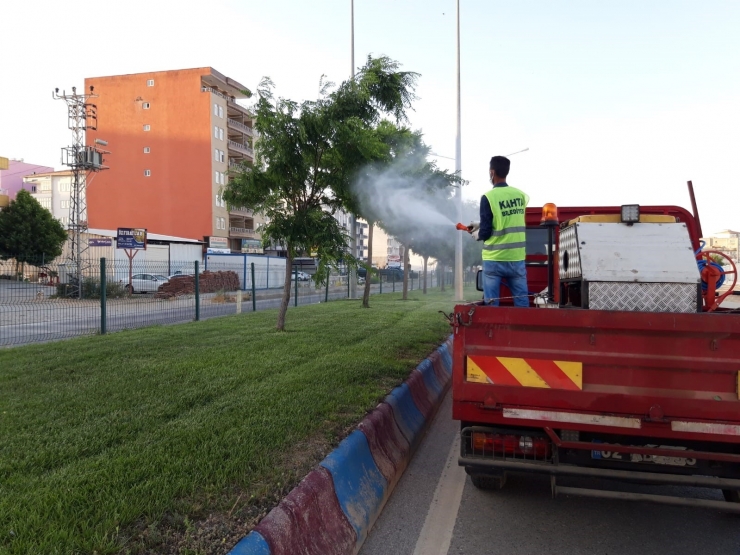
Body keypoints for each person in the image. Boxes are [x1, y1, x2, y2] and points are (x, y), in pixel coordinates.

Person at [472, 155, 530, 306]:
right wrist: (482, 223)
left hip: (494, 259)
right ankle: (523, 328)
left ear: (492, 172)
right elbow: (508, 218)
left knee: (492, 303)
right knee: (522, 301)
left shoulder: (488, 197)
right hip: (516, 258)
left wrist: (476, 234)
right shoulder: (521, 195)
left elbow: (485, 232)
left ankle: (493, 329)